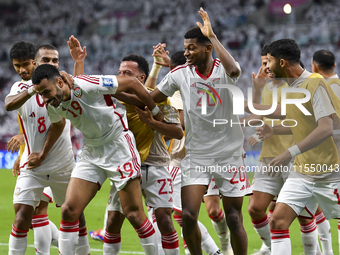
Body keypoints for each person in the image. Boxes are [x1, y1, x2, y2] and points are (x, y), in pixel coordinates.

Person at [32, 64, 162, 255]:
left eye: (46, 92)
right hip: (92, 151)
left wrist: (156, 112)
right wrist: (42, 154)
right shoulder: (53, 104)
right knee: (69, 210)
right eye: (40, 94)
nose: (43, 99)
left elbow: (132, 82)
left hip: (118, 145)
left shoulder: (85, 84)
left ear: (60, 82)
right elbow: (57, 125)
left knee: (134, 214)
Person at [150, 8, 251, 255]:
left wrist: (213, 37)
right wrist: (136, 101)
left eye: (191, 47)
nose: (186, 53)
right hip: (196, 156)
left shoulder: (224, 69)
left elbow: (236, 71)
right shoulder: (179, 74)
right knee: (188, 215)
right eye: (185, 48)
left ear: (207, 48)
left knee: (234, 218)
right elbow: (152, 97)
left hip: (230, 155)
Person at [255, 39, 340, 255]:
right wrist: (250, 107)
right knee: (278, 221)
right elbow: (287, 115)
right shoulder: (291, 87)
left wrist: (289, 152)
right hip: (302, 172)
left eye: (269, 61)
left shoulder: (315, 82)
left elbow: (325, 128)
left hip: (328, 171)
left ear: (282, 62)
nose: (266, 67)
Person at [5, 41, 87, 255]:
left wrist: (79, 63)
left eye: (55, 60)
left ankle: (80, 251)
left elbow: (67, 111)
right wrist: (24, 147)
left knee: (74, 213)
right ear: (36, 62)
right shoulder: (21, 87)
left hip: (61, 163)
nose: (51, 64)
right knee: (23, 214)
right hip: (33, 165)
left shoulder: (61, 84)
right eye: (46, 60)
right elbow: (19, 112)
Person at [311, 49, 339, 255]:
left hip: (323, 158)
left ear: (313, 67)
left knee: (310, 207)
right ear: (335, 66)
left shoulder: (317, 90)